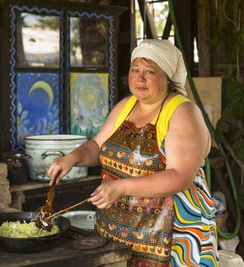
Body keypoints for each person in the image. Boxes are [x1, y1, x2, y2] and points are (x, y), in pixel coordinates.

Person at [47, 39, 218, 266]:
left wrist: (121, 187)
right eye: (135, 70)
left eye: (150, 72)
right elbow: (98, 146)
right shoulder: (126, 106)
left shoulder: (182, 111)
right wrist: (72, 158)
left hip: (174, 234)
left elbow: (180, 176)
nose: (140, 78)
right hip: (123, 231)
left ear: (167, 77)